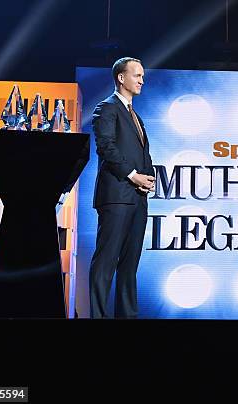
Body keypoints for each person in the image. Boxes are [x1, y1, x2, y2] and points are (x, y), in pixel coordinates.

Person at [89, 57, 155, 318]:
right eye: (137, 75)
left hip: (138, 198)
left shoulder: (135, 115)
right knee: (106, 261)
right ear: (121, 78)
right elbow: (106, 147)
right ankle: (98, 319)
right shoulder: (106, 108)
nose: (141, 80)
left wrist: (148, 177)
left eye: (142, 76)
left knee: (130, 266)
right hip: (116, 196)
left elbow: (141, 152)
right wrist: (132, 175)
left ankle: (127, 320)